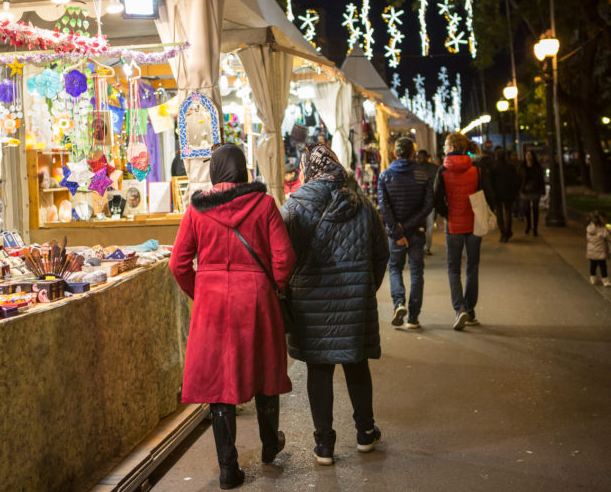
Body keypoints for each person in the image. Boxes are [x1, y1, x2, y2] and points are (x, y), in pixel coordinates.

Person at [169, 144, 296, 489]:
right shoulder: (264, 204)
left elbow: (178, 263)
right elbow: (284, 256)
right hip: (256, 299)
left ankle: (228, 468)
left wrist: (202, 291)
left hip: (212, 301)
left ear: (215, 171)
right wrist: (273, 287)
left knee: (219, 381)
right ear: (242, 170)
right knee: (264, 370)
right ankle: (270, 446)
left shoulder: (197, 209)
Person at [281, 145, 389, 465]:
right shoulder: (363, 205)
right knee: (356, 363)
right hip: (355, 301)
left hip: (309, 304)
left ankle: (324, 444)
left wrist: (288, 293)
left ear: (307, 169)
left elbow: (282, 258)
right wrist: (365, 288)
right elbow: (381, 254)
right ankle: (365, 433)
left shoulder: (293, 206)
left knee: (319, 368)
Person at [434, 133, 496, 330]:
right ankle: (470, 310)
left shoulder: (443, 170)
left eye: (445, 145)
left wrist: (446, 214)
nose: (444, 149)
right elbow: (488, 194)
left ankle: (459, 309)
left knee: (453, 269)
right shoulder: (476, 169)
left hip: (453, 226)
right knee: (472, 267)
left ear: (452, 147)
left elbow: (436, 199)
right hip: (474, 224)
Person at [378, 138, 433, 329]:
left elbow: (384, 207)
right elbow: (428, 205)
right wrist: (410, 225)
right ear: (413, 153)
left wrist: (397, 230)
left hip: (396, 233)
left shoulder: (385, 176)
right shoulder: (422, 175)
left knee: (395, 268)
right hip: (417, 231)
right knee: (417, 272)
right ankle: (414, 317)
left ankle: (399, 303)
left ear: (395, 153)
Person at [490, 148, 520, 243]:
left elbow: (491, 182)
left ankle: (503, 233)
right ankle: (508, 231)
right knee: (508, 212)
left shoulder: (493, 167)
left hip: (498, 193)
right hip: (508, 193)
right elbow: (515, 180)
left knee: (499, 214)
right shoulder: (510, 167)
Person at [416, 149, 440, 254]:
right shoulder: (414, 168)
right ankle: (422, 247)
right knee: (421, 226)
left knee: (429, 226)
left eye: (420, 157)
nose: (418, 159)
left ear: (426, 157)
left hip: (429, 201)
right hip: (418, 202)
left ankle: (426, 247)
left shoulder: (434, 169)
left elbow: (438, 186)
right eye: (417, 157)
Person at [519, 150, 545, 236]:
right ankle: (529, 225)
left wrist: (542, 190)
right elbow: (519, 178)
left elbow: (541, 179)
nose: (528, 156)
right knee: (526, 209)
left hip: (535, 190)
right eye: (527, 155)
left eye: (530, 155)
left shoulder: (537, 167)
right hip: (525, 190)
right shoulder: (522, 166)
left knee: (535, 209)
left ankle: (535, 228)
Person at [586, 211, 611, 287]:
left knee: (593, 266)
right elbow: (609, 238)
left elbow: (588, 238)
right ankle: (605, 280)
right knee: (603, 266)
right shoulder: (602, 230)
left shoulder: (589, 228)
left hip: (591, 251)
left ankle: (592, 279)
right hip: (600, 252)